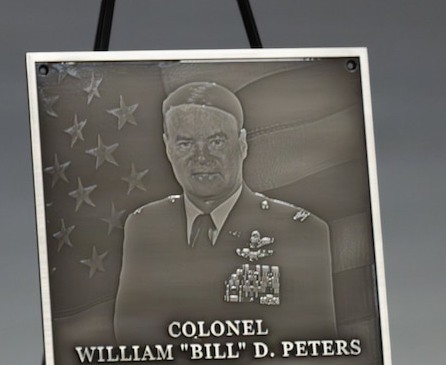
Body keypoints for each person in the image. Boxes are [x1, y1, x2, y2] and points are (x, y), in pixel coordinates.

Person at [112, 81, 336, 344]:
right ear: (167, 147)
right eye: (185, 144)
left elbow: (316, 347)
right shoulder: (145, 227)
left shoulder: (301, 232)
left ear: (242, 144)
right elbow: (128, 343)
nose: (202, 157)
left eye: (216, 141)